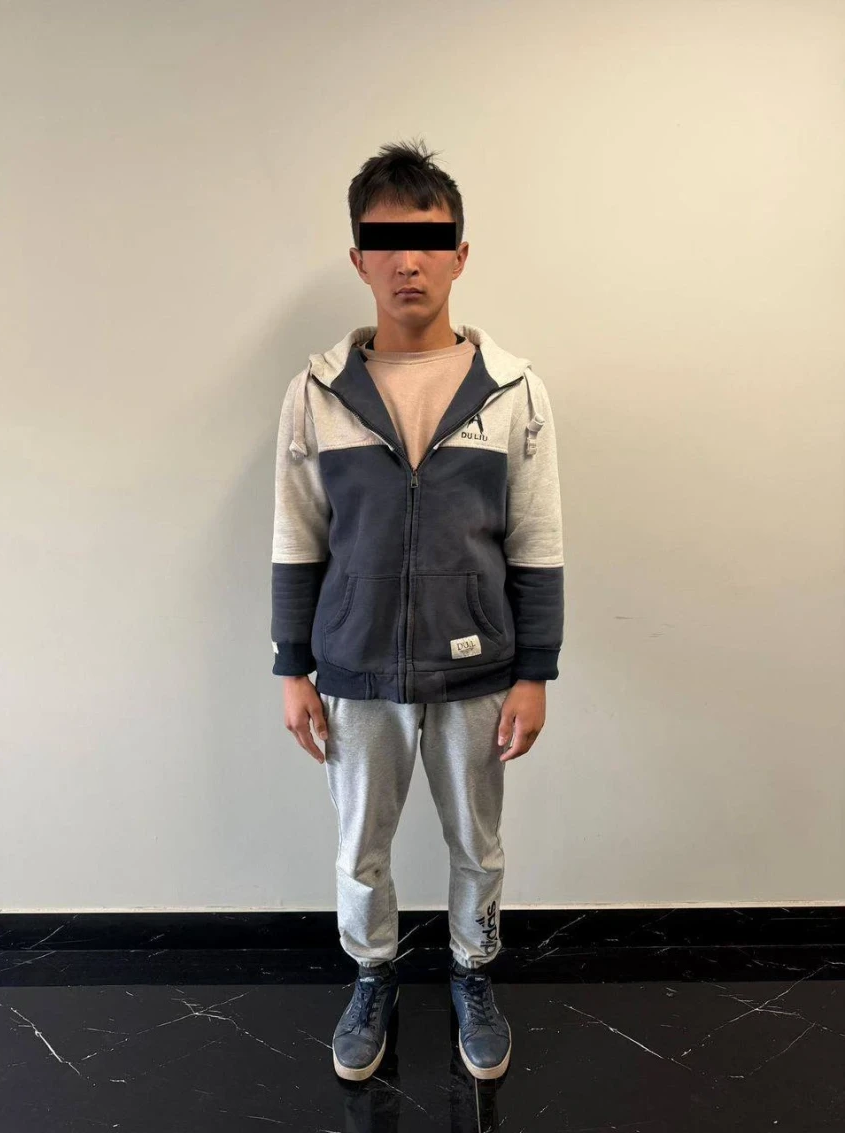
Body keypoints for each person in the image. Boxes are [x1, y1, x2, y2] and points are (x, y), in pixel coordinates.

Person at [270, 139, 565, 1082]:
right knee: (361, 845)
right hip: (354, 670)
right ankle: (373, 975)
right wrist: (291, 664)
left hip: (480, 672)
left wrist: (536, 672)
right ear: (359, 258)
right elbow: (297, 534)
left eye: (429, 242)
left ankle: (474, 970)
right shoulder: (317, 393)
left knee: (477, 842)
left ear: (460, 255)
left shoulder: (513, 390)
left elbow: (538, 538)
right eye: (388, 243)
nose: (410, 262)